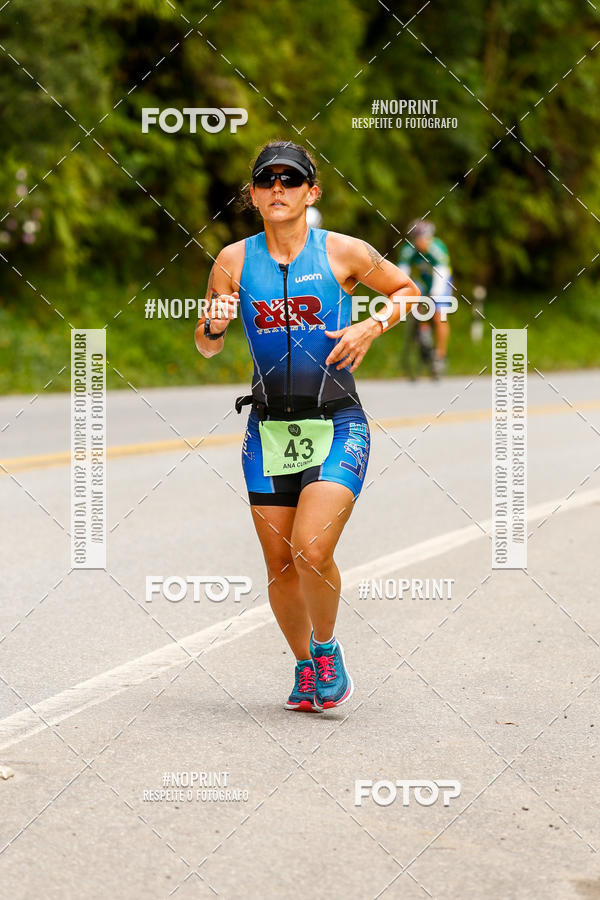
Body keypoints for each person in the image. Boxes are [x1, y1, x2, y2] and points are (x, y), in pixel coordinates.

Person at [195, 141, 418, 712]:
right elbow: (204, 346)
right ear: (252, 195)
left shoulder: (344, 252)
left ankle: (326, 649)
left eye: (289, 181)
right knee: (279, 563)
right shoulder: (233, 261)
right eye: (266, 181)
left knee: (310, 549)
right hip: (269, 427)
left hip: (337, 420)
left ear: (310, 193)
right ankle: (303, 665)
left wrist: (370, 326)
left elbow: (407, 293)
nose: (277, 189)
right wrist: (215, 328)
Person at [397, 220, 453, 377]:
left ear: (429, 238)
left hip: (441, 280)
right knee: (415, 299)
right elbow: (401, 273)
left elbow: (442, 273)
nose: (420, 243)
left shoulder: (437, 248)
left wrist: (435, 296)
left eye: (423, 239)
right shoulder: (408, 250)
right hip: (422, 281)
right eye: (417, 239)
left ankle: (440, 356)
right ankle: (423, 331)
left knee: (439, 315)